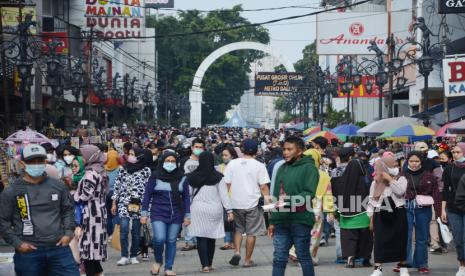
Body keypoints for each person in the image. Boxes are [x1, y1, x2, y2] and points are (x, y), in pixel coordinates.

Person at [0, 144, 78, 276]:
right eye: (31, 161)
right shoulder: (11, 192)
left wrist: (69, 233)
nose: (36, 164)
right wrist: (17, 243)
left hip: (59, 248)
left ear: (45, 162)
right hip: (29, 252)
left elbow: (67, 210)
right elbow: (3, 221)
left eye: (39, 161)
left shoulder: (58, 186)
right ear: (22, 164)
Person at [268, 137, 319, 276]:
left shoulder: (309, 168)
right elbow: (276, 195)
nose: (285, 152)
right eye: (284, 149)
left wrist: (289, 200)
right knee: (279, 258)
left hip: (300, 220)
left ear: (299, 151)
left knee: (303, 256)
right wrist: (272, 220)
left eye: (289, 149)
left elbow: (309, 193)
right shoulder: (281, 167)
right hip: (281, 220)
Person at [141, 152, 191, 276]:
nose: (170, 163)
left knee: (171, 240)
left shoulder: (182, 177)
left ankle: (168, 268)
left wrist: (187, 215)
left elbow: (186, 198)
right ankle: (158, 261)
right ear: (162, 162)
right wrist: (144, 213)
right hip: (158, 212)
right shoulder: (154, 177)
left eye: (172, 161)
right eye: (167, 161)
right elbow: (147, 195)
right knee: (159, 238)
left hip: (176, 214)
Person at [225, 138, 271, 267]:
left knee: (238, 230)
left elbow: (227, 184)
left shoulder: (232, 164)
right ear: (256, 151)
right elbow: (263, 187)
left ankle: (237, 251)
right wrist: (268, 202)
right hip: (252, 204)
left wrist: (226, 203)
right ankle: (247, 260)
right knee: (251, 232)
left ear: (242, 149)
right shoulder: (259, 166)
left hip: (235, 203)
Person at [187, 151, 233, 272]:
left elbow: (189, 195)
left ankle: (204, 265)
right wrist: (229, 211)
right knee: (211, 237)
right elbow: (224, 195)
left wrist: (186, 211)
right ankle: (210, 263)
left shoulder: (192, 176)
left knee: (201, 237)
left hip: (198, 209)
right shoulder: (218, 176)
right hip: (214, 209)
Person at [367, 155, 409, 276]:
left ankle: (403, 267)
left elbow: (400, 192)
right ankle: (378, 268)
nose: (396, 168)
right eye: (393, 166)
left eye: (396, 165)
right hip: (381, 211)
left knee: (400, 239)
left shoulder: (401, 178)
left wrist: (390, 180)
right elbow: (371, 200)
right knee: (379, 240)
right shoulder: (376, 181)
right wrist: (370, 218)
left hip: (398, 211)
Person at [401, 151, 441, 274]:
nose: (414, 163)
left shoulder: (430, 176)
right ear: (407, 161)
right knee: (405, 237)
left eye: (417, 161)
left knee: (422, 237)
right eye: (411, 161)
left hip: (424, 208)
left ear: (421, 162)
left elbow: (436, 194)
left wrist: (439, 212)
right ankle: (405, 262)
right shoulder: (402, 175)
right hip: (406, 207)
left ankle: (422, 263)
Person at [112, 148, 152, 266]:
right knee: (123, 231)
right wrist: (114, 202)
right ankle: (124, 255)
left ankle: (133, 255)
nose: (130, 156)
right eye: (129, 154)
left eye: (133, 154)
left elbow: (149, 190)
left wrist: (147, 207)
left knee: (135, 232)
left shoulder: (146, 170)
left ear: (139, 156)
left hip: (138, 205)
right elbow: (117, 186)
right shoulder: (123, 169)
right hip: (124, 204)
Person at [333, 152, 373, 268]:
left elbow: (336, 197)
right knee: (366, 239)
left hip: (347, 216)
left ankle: (350, 259)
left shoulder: (342, 181)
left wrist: (336, 212)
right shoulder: (365, 181)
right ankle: (366, 259)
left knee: (349, 238)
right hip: (364, 215)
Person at [74, 145, 107, 276]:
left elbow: (85, 195)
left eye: (83, 155)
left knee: (89, 248)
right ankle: (97, 272)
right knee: (92, 248)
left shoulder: (90, 174)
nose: (81, 158)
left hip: (91, 214)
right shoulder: (98, 170)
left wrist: (73, 196)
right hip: (97, 212)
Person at [442, 143, 465, 276]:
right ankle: (462, 264)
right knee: (458, 238)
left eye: (458, 152)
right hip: (453, 207)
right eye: (454, 152)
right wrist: (443, 209)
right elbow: (445, 189)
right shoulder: (449, 168)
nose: (455, 155)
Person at [181, 137, 205, 251]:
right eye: (196, 147)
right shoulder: (184, 161)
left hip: (202, 194)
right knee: (187, 217)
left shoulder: (205, 161)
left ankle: (196, 240)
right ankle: (189, 240)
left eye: (201, 147)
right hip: (187, 194)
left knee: (199, 218)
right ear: (192, 148)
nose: (198, 149)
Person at [218, 146, 238, 251]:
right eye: (223, 155)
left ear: (232, 156)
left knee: (234, 221)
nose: (224, 157)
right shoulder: (219, 167)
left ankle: (234, 242)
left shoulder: (237, 167)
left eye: (226, 155)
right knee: (225, 220)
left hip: (235, 197)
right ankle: (227, 242)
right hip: (224, 198)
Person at [105, 143, 121, 240]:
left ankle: (109, 232)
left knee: (107, 214)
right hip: (116, 194)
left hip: (105, 193)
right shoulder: (120, 169)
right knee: (115, 213)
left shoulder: (104, 168)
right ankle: (115, 234)